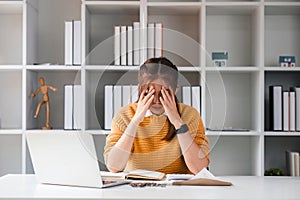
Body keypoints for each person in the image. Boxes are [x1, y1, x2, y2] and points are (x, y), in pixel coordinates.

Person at [104, 57, 209, 174]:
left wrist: (178, 122)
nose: (157, 101)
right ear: (140, 89)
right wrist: (135, 121)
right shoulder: (124, 115)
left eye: (164, 93)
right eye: (151, 92)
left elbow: (200, 169)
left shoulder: (190, 115)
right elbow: (113, 166)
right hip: (137, 189)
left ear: (175, 90)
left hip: (179, 189)